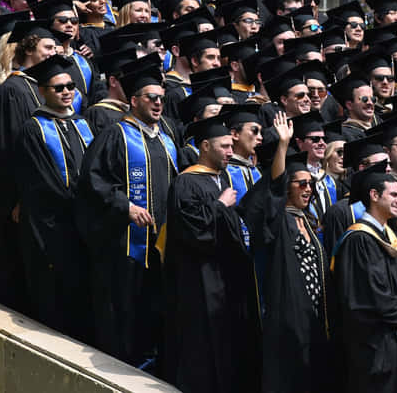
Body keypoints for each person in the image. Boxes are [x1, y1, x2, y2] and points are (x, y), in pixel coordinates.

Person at [75, 61, 178, 367]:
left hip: (157, 245)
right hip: (123, 244)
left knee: (151, 310)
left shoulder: (166, 140)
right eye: (151, 97)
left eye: (161, 98)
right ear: (134, 100)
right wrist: (126, 206)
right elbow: (92, 180)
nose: (158, 103)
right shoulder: (115, 134)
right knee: (122, 308)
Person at [161, 113, 260, 392]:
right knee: (202, 346)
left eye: (231, 146)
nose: (231, 152)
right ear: (205, 146)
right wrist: (219, 205)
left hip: (225, 278)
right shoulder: (186, 183)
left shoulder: (222, 180)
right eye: (224, 146)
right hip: (199, 278)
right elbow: (192, 231)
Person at [240, 116, 332, 393]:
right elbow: (272, 190)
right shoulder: (278, 222)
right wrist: (282, 145)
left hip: (315, 314)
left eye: (310, 184)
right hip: (287, 316)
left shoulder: (308, 220)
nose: (308, 189)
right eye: (300, 184)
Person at [12, 55, 94, 341]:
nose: (66, 92)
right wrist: (81, 204)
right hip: (52, 225)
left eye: (70, 85)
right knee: (56, 289)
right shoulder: (33, 129)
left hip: (83, 222)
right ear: (42, 91)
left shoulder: (82, 123)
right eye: (58, 88)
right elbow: (44, 181)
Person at [0, 20, 61, 310]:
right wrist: (17, 198)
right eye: (48, 47)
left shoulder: (38, 87)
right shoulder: (15, 90)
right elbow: (10, 150)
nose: (55, 52)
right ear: (30, 48)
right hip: (19, 199)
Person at [333, 160, 397, 393]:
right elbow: (375, 292)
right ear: (374, 195)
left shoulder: (387, 236)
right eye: (393, 195)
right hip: (372, 346)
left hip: (392, 343)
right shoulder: (359, 239)